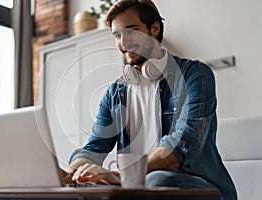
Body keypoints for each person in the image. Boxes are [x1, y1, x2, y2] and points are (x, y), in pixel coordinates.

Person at [64, 0, 237, 199]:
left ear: (154, 28)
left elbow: (181, 144)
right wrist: (69, 173)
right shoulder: (115, 93)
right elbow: (94, 147)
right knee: (83, 188)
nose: (123, 42)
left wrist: (121, 176)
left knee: (155, 181)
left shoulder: (195, 75)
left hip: (201, 187)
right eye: (117, 35)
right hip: (137, 188)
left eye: (131, 30)